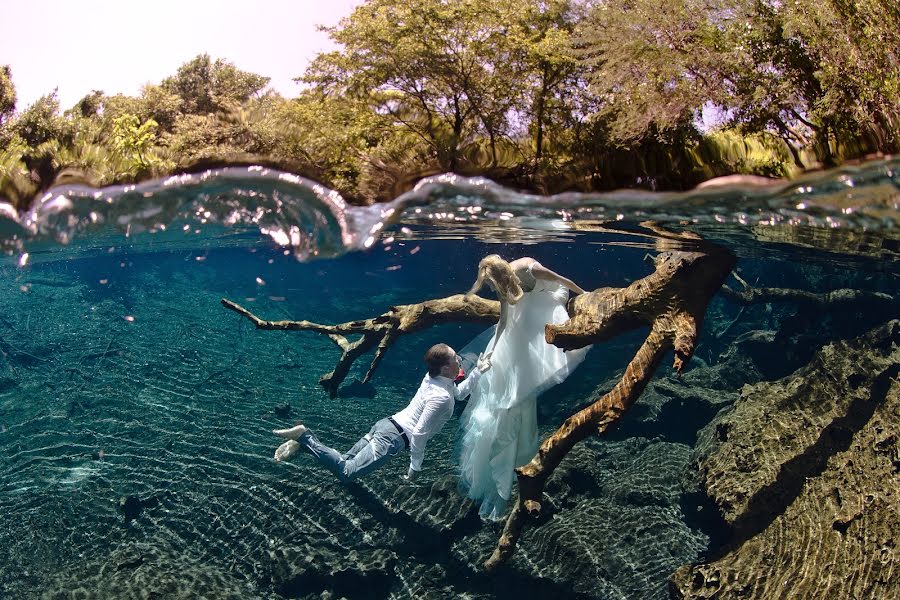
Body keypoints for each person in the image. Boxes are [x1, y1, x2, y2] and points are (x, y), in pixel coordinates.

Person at [458, 255, 590, 520]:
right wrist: (493, 354)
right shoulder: (505, 285)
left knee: (529, 325)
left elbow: (563, 282)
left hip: (552, 299)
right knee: (510, 382)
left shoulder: (531, 267)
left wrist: (586, 295)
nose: (495, 289)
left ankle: (524, 380)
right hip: (529, 310)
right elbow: (504, 323)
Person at [272, 343, 492, 483]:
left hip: (386, 424)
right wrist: (415, 468)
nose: (460, 361)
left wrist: (478, 372)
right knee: (347, 472)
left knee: (346, 459)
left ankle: (303, 446)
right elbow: (419, 434)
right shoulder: (441, 396)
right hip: (392, 439)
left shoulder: (434, 379)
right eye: (456, 359)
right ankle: (305, 436)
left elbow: (459, 394)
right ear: (445, 368)